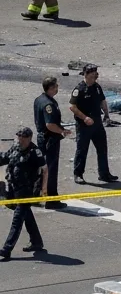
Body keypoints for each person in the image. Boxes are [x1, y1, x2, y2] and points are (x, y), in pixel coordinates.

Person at [0, 127, 47, 260]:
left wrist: (44, 189)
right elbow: (6, 158)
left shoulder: (34, 152)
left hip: (27, 190)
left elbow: (45, 169)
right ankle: (37, 242)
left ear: (28, 139)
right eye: (18, 138)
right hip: (14, 188)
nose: (19, 141)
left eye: (22, 139)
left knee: (17, 220)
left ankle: (6, 249)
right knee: (26, 215)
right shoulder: (16, 147)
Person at [69, 64, 117, 185]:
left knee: (102, 149)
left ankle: (104, 173)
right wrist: (84, 118)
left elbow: (102, 101)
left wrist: (106, 115)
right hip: (84, 125)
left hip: (97, 123)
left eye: (95, 75)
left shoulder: (97, 87)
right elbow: (72, 107)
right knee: (82, 150)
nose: (95, 77)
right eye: (92, 75)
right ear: (86, 75)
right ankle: (78, 174)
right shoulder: (79, 89)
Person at [33, 76, 70, 210]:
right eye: (55, 87)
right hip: (50, 139)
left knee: (42, 167)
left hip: (42, 137)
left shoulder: (39, 99)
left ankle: (36, 194)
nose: (57, 89)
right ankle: (51, 199)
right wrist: (62, 131)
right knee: (51, 169)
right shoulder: (48, 104)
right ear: (50, 88)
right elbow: (49, 124)